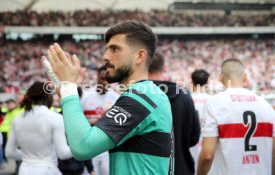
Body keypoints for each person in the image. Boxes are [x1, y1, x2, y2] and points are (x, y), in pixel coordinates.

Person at [42, 20, 172, 175]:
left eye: (115, 49)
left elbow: (83, 147)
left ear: (139, 56)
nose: (105, 56)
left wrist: (69, 89)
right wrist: (65, 93)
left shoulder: (142, 97)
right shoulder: (149, 94)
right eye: (106, 49)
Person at [197, 58, 275, 175]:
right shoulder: (267, 106)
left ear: (221, 78)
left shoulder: (214, 103)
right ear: (244, 77)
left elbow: (207, 154)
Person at [148, 51, 200, 175]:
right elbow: (194, 136)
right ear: (164, 69)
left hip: (150, 169)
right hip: (181, 168)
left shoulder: (138, 95)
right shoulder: (185, 95)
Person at [5, 81, 72, 175]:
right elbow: (63, 153)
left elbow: (9, 152)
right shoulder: (55, 117)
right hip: (47, 170)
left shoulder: (17, 119)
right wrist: (79, 146)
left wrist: (29, 158)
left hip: (24, 170)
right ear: (48, 96)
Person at [81, 65, 119, 175]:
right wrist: (97, 122)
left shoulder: (116, 98)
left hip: (107, 149)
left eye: (108, 79)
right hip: (89, 149)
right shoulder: (86, 96)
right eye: (103, 79)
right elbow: (79, 123)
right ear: (97, 77)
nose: (105, 83)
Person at [189, 69, 210, 172]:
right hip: (208, 144)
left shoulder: (187, 99)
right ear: (207, 83)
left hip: (191, 145)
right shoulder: (212, 100)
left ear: (192, 82)